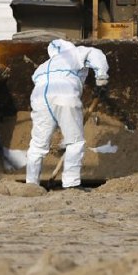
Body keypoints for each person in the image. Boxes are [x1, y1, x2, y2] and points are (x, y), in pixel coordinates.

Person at [26, 39, 109, 190]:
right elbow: (96, 54)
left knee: (38, 145)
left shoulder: (42, 67)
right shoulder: (76, 53)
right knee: (74, 142)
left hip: (39, 99)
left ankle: (31, 185)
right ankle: (71, 183)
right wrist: (101, 80)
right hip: (65, 96)